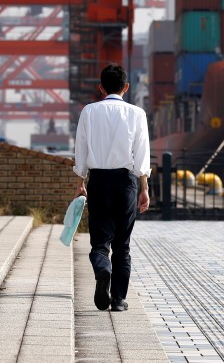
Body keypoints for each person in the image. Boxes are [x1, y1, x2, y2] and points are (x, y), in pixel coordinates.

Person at [72, 63, 151, 312]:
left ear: (101, 88)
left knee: (100, 240)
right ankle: (118, 299)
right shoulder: (137, 113)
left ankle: (102, 267)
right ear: (126, 87)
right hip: (126, 181)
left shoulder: (89, 111)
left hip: (99, 181)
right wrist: (144, 188)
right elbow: (142, 154)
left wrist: (80, 182)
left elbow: (81, 150)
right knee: (123, 245)